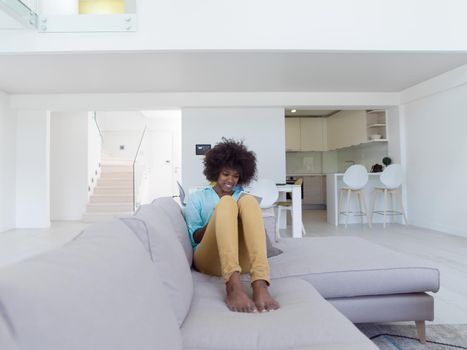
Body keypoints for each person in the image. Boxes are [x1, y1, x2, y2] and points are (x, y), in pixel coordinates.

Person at [184, 138, 280, 313]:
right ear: (215, 173)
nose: (230, 180)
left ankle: (260, 283)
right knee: (227, 203)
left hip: (241, 260)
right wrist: (219, 219)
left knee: (249, 201)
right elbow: (194, 237)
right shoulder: (198, 197)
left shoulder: (241, 196)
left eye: (235, 176)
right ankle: (233, 286)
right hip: (208, 259)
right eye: (225, 174)